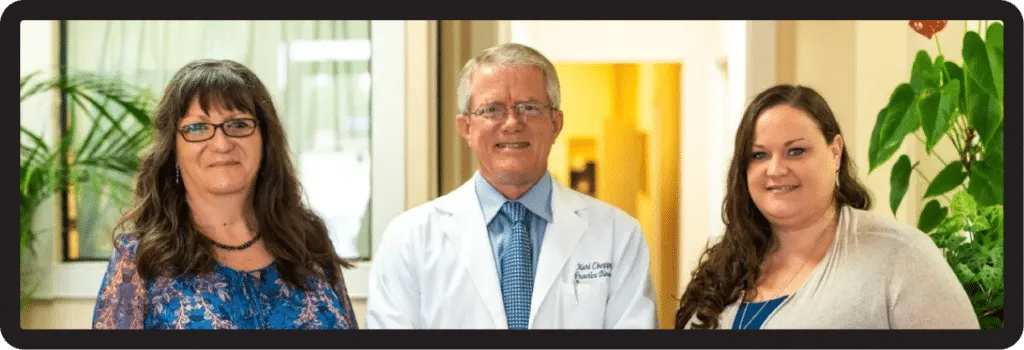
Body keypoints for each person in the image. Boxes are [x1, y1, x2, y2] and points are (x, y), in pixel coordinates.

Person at [366, 43, 657, 329]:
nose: (512, 123)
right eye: (492, 109)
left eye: (529, 108)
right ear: (466, 127)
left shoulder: (618, 234)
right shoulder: (408, 239)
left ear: (556, 123)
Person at [675, 84, 979, 329]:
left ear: (835, 152)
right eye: (758, 155)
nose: (775, 169)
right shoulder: (724, 261)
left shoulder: (901, 256)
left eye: (796, 151)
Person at [91, 59, 358, 329]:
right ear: (173, 149)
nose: (221, 144)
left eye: (239, 124)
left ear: (265, 140)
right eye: (197, 127)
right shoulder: (138, 260)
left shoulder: (309, 242)